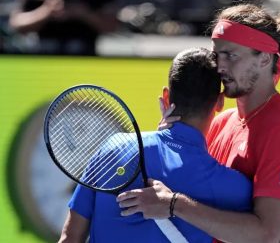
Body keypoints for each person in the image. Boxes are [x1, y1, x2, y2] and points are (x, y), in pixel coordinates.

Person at [117, 2, 280, 243]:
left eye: (231, 55)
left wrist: (174, 205)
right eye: (217, 55)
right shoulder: (222, 121)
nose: (219, 66)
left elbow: (266, 235)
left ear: (265, 59)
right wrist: (170, 140)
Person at [58, 47, 255, 242]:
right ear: (220, 102)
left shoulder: (113, 148)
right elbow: (269, 233)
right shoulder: (234, 187)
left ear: (167, 97)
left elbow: (69, 238)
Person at [8, 0, 118, 55]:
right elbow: (16, 25)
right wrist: (46, 11)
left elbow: (112, 26)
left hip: (84, 64)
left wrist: (84, 13)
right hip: (42, 66)